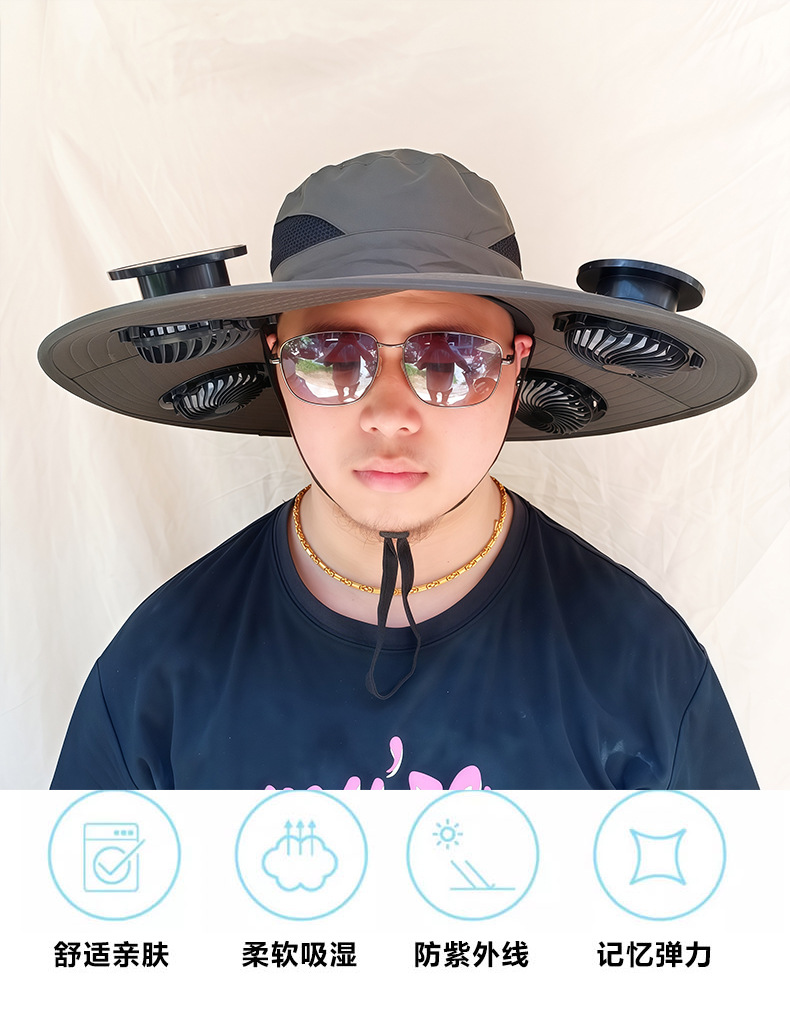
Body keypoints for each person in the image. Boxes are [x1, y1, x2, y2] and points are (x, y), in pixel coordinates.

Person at [44, 149, 758, 790]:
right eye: (330, 357)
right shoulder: (160, 670)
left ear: (516, 368)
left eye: (452, 360)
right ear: (277, 365)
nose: (389, 416)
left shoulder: (639, 665)